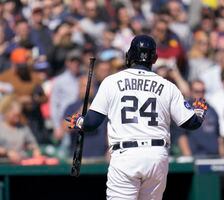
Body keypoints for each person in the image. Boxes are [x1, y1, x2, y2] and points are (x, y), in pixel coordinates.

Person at [66, 35, 208, 199]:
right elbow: (191, 123)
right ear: (154, 59)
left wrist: (78, 121)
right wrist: (198, 112)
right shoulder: (168, 86)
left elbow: (91, 124)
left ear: (129, 56)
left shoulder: (111, 82)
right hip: (157, 156)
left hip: (126, 155)